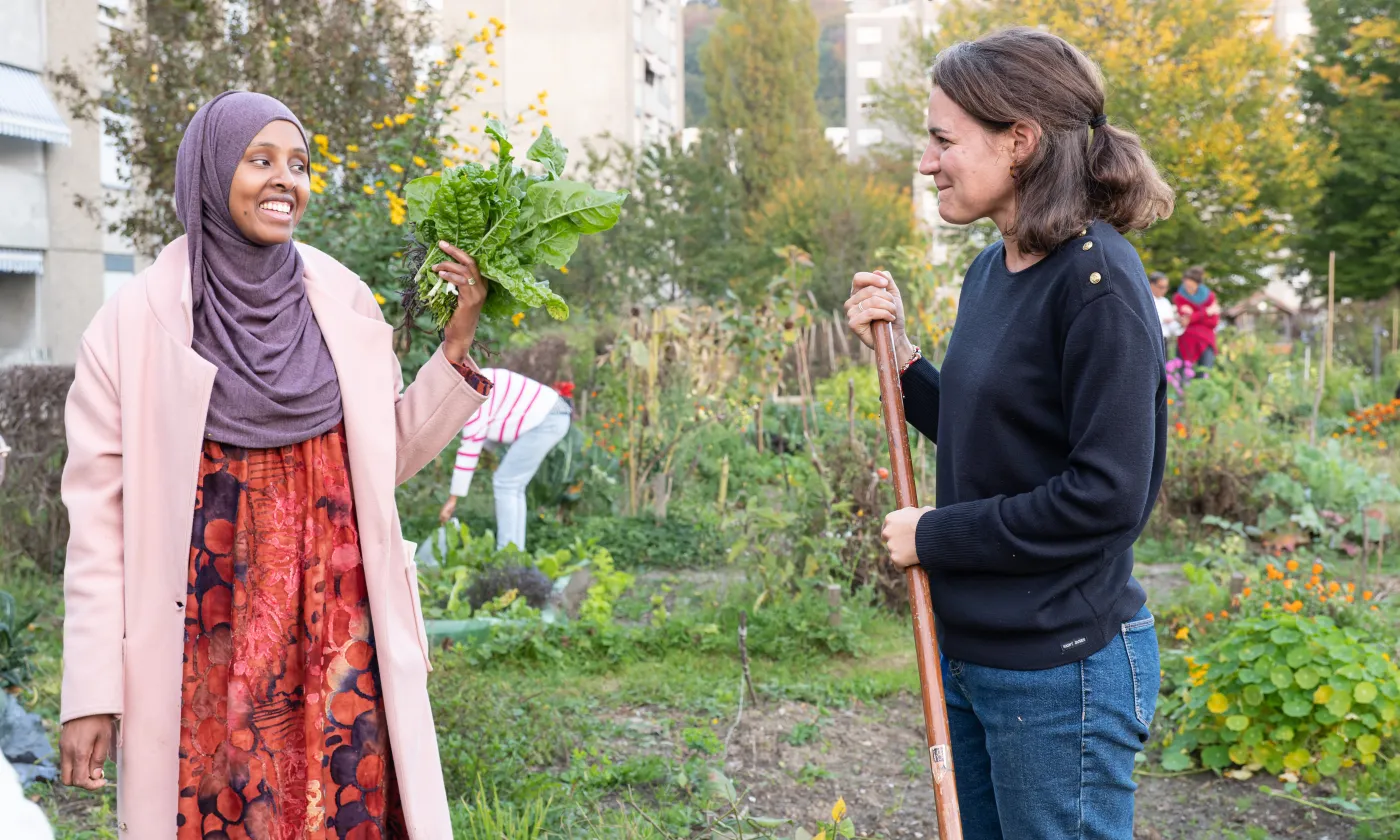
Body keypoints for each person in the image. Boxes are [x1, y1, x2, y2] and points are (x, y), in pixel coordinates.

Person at [57, 91, 491, 839]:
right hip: (206, 650)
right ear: (210, 170)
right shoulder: (129, 329)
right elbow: (99, 531)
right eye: (260, 160)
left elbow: (378, 463)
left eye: (299, 164)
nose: (285, 180)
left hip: (339, 637)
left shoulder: (339, 300)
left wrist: (452, 353)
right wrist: (90, 693)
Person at [846, 28, 1172, 840]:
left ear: (1019, 141)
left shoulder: (1098, 284)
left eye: (942, 139)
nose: (927, 162)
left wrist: (936, 533)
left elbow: (1106, 498)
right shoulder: (995, 267)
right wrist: (904, 361)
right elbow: (986, 429)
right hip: (977, 652)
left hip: (1063, 670)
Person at [437, 370, 573, 550]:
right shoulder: (475, 379)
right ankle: (514, 554)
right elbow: (490, 433)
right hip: (555, 414)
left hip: (547, 419)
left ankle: (507, 556)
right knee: (513, 485)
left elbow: (470, 448)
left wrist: (453, 499)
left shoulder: (472, 399)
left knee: (506, 483)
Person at [1174, 264, 1221, 367]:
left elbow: (1213, 322)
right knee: (1183, 377)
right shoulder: (1179, 297)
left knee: (1204, 376)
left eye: (1191, 287)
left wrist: (1193, 316)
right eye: (1186, 286)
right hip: (1187, 342)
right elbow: (1184, 321)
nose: (1188, 289)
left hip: (1206, 340)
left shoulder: (1210, 296)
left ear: (1198, 284)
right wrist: (1206, 312)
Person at [1150, 270, 1182, 343]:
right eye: (1161, 287)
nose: (1164, 290)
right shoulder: (1146, 300)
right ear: (1151, 285)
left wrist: (1180, 323)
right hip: (1151, 339)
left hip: (1164, 339)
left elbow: (1172, 328)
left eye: (1166, 287)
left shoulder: (1165, 302)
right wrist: (1163, 320)